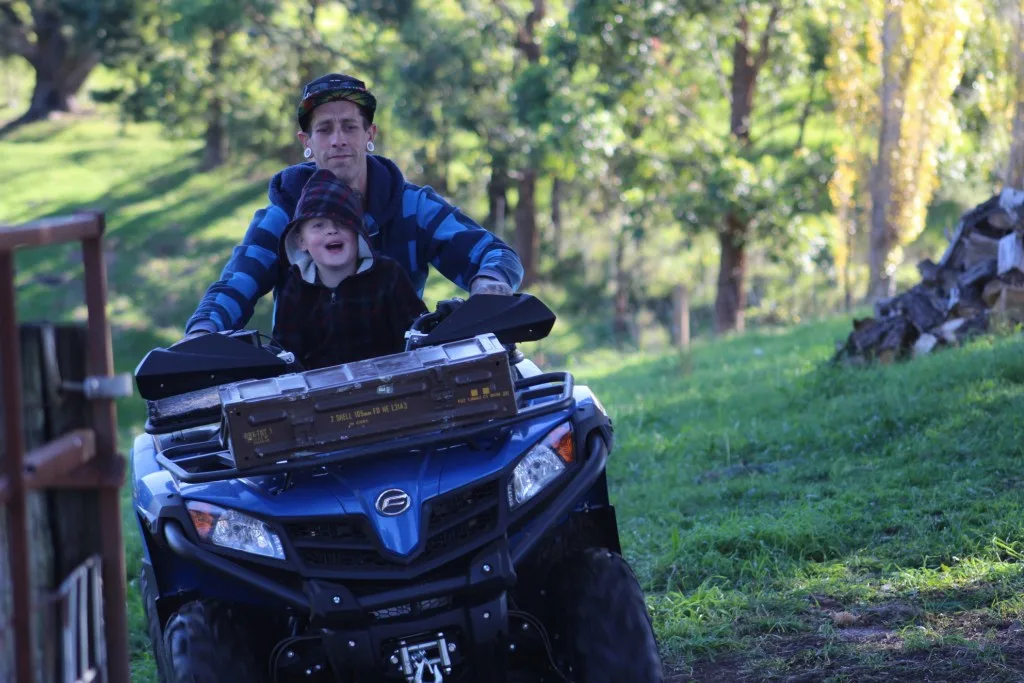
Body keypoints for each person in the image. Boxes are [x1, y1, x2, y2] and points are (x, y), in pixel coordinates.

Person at [183, 73, 522, 340]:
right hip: (306, 386)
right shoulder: (282, 215)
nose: (338, 139)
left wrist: (489, 281)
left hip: (408, 374)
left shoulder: (411, 206)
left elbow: (496, 254)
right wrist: (202, 332)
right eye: (325, 129)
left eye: (349, 126)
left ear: (369, 133)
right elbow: (235, 284)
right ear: (308, 143)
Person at [271, 168, 427, 369]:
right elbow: (285, 354)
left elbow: (418, 334)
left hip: (389, 383)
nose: (332, 230)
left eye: (342, 223)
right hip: (322, 393)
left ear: (359, 234)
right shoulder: (296, 285)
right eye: (318, 225)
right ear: (301, 241)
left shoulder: (388, 275)